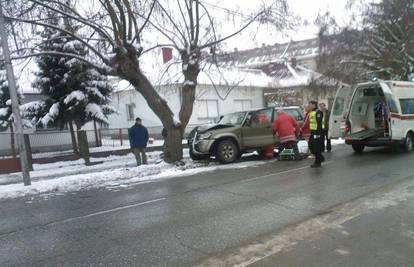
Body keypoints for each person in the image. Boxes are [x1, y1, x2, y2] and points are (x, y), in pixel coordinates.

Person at [308, 101, 325, 168]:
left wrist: (319, 134)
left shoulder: (318, 112)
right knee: (311, 146)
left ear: (314, 105)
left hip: (317, 133)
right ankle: (321, 157)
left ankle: (318, 162)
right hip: (313, 132)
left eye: (310, 104)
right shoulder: (312, 112)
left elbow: (320, 123)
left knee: (316, 147)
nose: (309, 106)